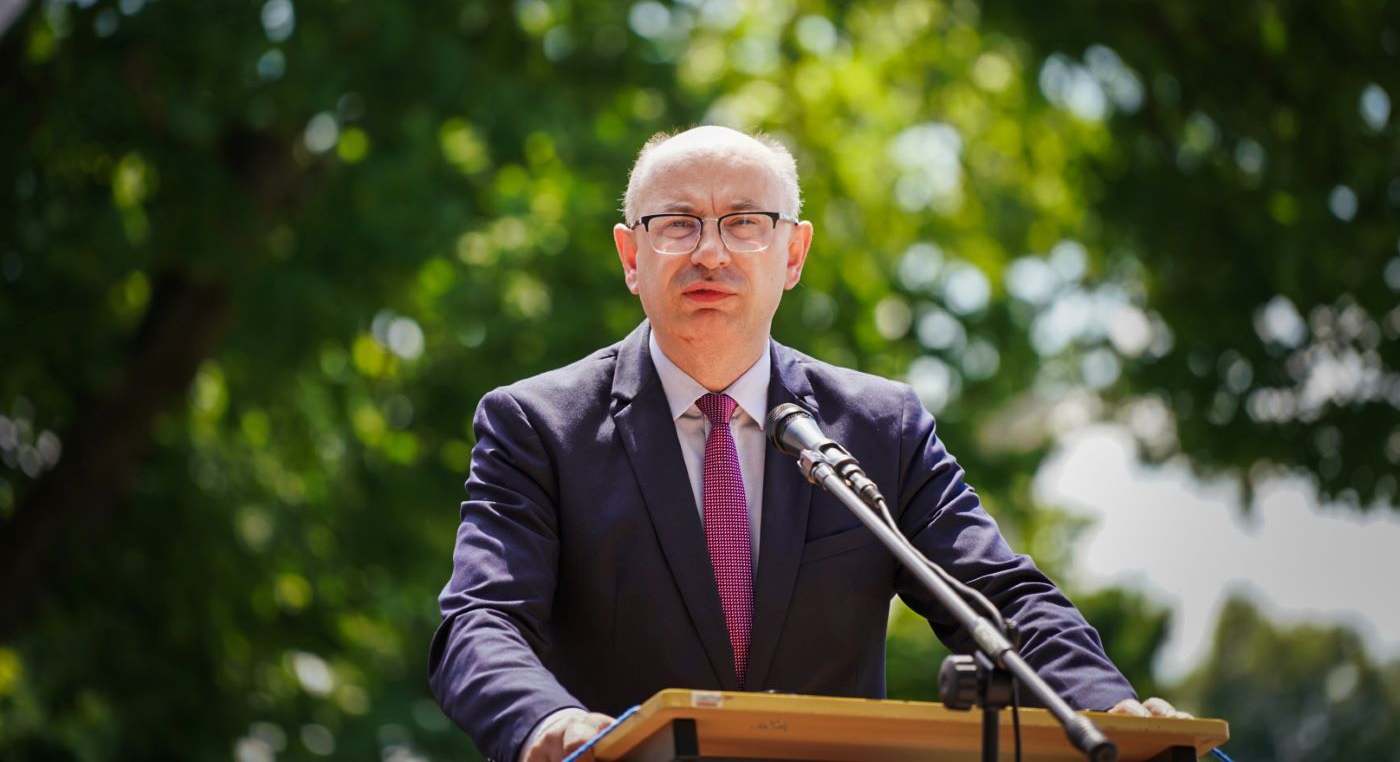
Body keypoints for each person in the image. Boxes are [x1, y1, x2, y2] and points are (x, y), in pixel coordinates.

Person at [429, 126, 1186, 762]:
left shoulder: (881, 427)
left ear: (793, 254)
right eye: (678, 224)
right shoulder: (537, 426)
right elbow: (480, 623)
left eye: (745, 222)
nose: (711, 253)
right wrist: (548, 723)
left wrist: (1111, 706)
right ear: (632, 257)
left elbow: (997, 598)